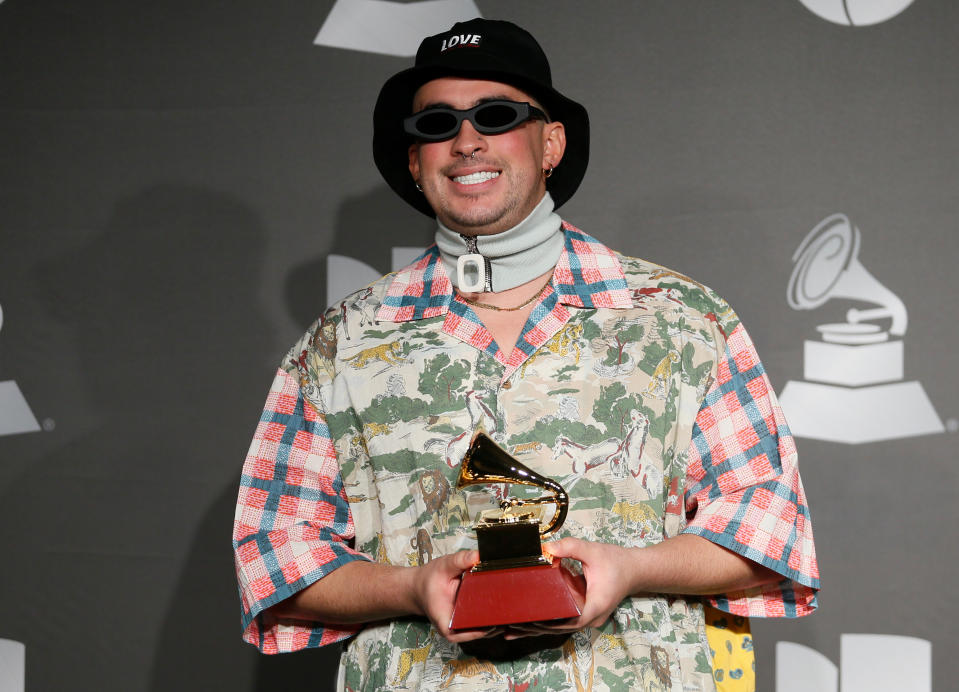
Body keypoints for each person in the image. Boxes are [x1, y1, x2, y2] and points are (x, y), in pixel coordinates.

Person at [232, 18, 819, 691]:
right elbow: (278, 559)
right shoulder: (340, 343)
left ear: (550, 143)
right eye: (435, 125)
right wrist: (413, 586)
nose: (465, 140)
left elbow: (764, 533)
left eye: (497, 115)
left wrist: (630, 569)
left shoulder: (682, 317)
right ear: (412, 161)